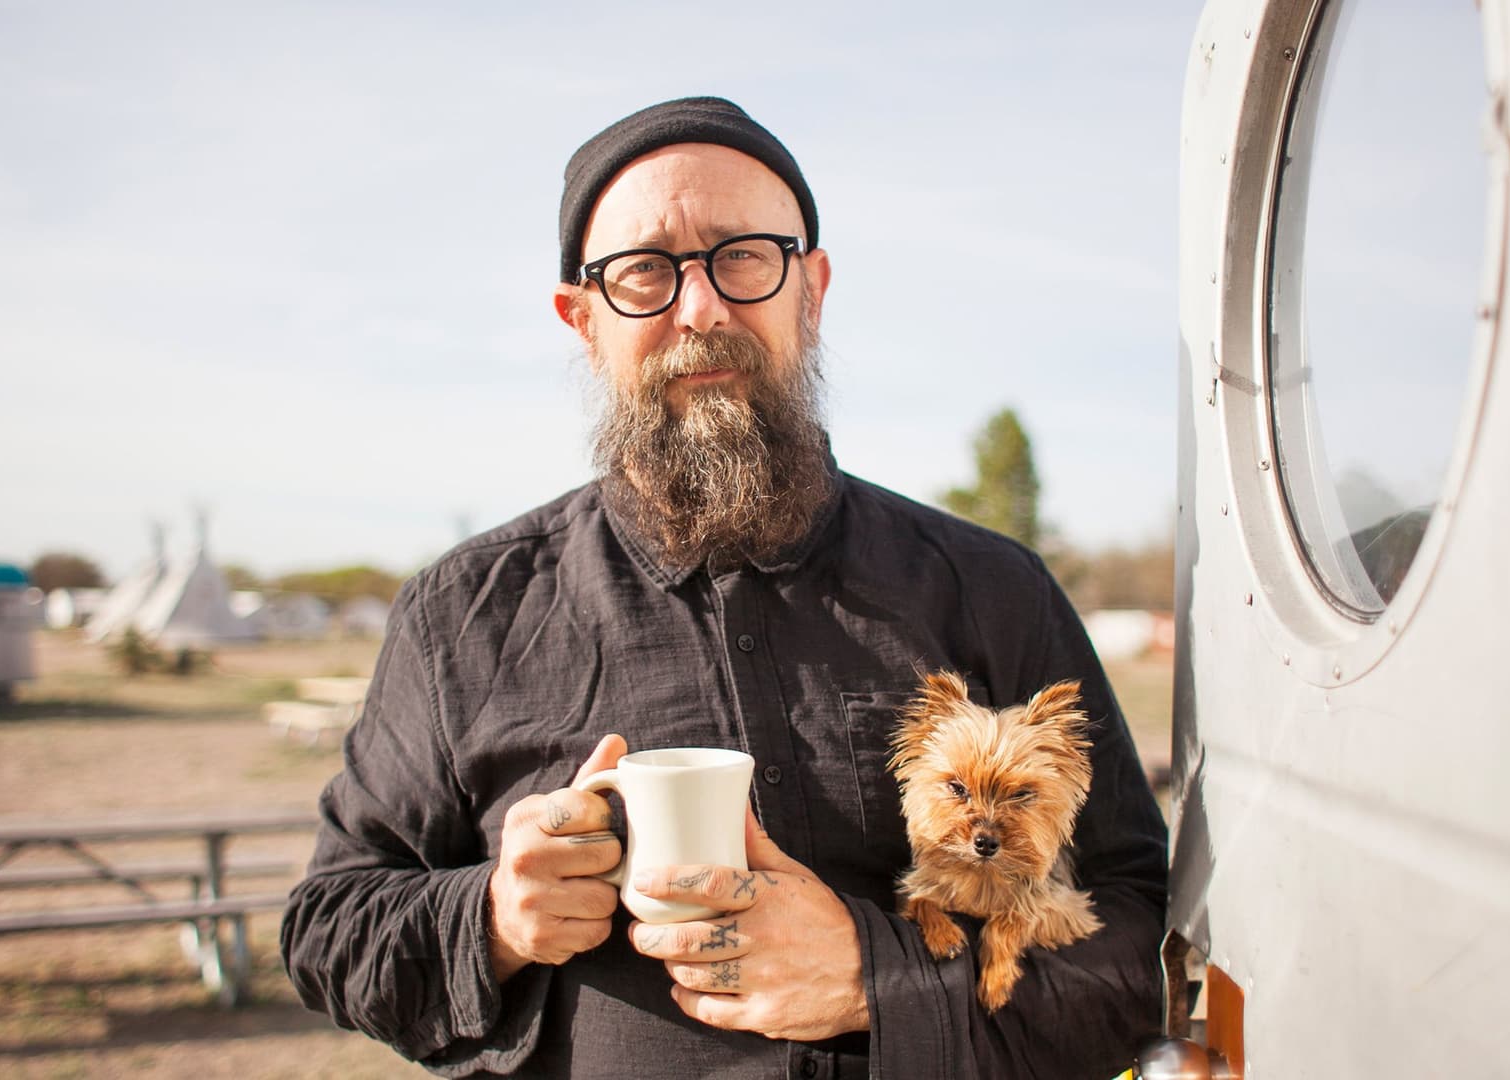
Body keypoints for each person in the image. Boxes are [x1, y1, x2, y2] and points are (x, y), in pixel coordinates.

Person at [280, 96, 1168, 1079]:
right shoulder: (464, 615)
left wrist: (882, 980)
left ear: (812, 289)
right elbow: (332, 928)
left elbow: (1143, 934)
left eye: (743, 255)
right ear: (582, 320)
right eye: (645, 272)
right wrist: (495, 916)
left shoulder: (992, 594)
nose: (700, 309)